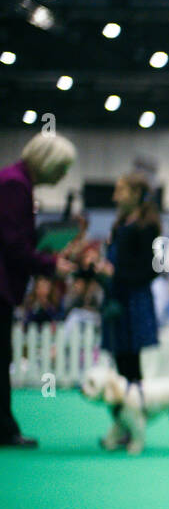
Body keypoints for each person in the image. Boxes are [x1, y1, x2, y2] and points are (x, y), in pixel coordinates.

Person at [0, 132, 77, 447]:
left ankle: (5, 427)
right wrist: (49, 264)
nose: (63, 175)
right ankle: (4, 430)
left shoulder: (16, 182)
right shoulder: (15, 186)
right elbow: (13, 245)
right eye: (61, 167)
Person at [100, 172, 162, 389]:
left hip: (134, 302)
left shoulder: (147, 228)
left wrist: (114, 273)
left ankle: (136, 409)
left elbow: (150, 270)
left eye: (120, 191)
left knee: (132, 365)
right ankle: (127, 412)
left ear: (136, 194)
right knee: (121, 362)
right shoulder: (119, 226)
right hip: (115, 300)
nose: (115, 197)